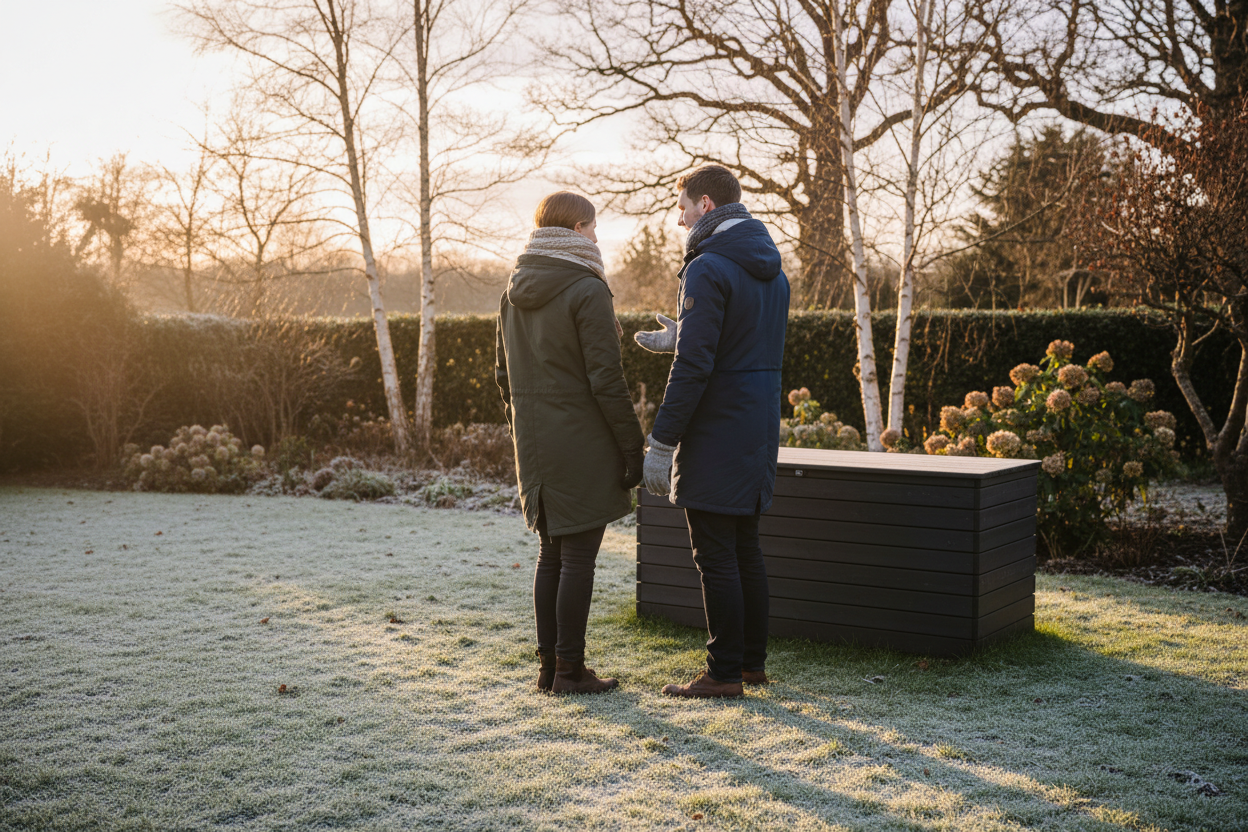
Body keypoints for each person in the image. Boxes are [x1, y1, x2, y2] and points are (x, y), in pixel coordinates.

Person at [635, 165, 790, 699]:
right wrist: (686, 333)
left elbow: (696, 367)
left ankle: (722, 674)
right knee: (745, 546)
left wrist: (661, 441)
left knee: (715, 553)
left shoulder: (708, 267)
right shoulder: (770, 265)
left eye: (682, 207)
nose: (679, 219)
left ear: (704, 203)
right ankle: (750, 664)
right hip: (757, 423)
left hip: (717, 426)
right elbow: (744, 339)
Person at [496, 191, 645, 695]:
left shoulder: (512, 291)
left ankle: (549, 669)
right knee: (578, 558)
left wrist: (526, 427)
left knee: (552, 556)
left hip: (535, 445)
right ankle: (569, 671)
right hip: (582, 442)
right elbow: (607, 380)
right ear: (579, 229)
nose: (598, 237)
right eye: (594, 227)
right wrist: (632, 448)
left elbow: (502, 376)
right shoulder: (587, 289)